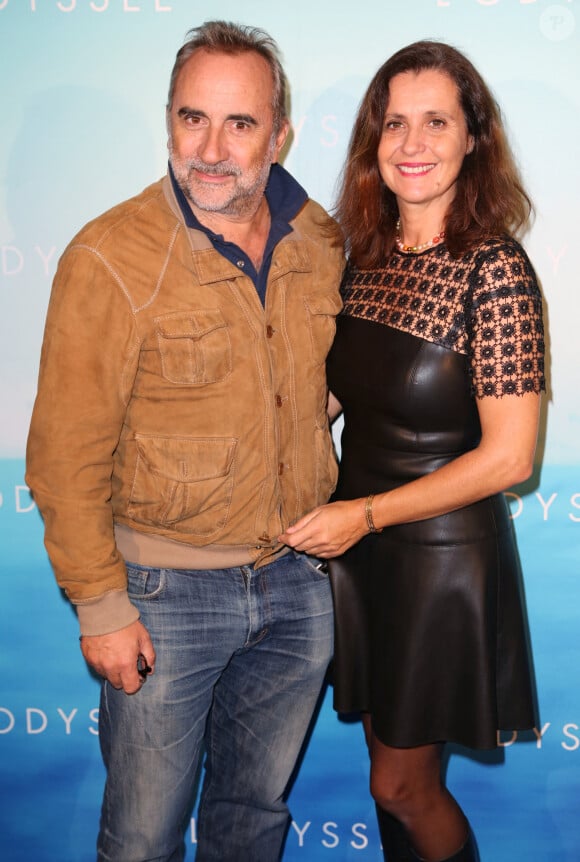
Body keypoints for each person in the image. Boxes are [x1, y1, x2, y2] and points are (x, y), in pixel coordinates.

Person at [26, 20, 344, 862]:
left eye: (240, 124)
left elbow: (312, 381)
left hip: (297, 585)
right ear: (168, 120)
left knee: (253, 822)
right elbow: (64, 455)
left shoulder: (320, 242)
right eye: (191, 118)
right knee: (141, 840)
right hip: (164, 599)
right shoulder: (110, 255)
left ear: (280, 134)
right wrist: (102, 608)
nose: (211, 148)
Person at [280, 40, 544, 862]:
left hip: (437, 558)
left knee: (402, 786)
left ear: (474, 138)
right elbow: (338, 400)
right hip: (361, 554)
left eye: (437, 121)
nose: (413, 142)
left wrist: (363, 515)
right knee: (384, 781)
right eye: (395, 122)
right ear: (373, 140)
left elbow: (511, 461)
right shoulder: (364, 259)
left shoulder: (494, 270)